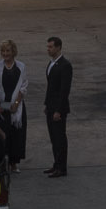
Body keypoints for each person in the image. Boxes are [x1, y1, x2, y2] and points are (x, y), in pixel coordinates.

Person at [0, 39, 28, 167]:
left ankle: (14, 163)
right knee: (1, 135)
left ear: (13, 52)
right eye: (3, 51)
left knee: (16, 135)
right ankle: (1, 161)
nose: (5, 53)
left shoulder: (21, 66)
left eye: (8, 51)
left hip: (15, 107)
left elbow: (23, 87)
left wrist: (16, 104)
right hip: (1, 105)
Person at [42, 36, 72, 176]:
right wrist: (47, 105)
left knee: (59, 138)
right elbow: (51, 87)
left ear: (59, 47)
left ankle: (62, 167)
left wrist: (58, 110)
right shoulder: (52, 63)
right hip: (51, 106)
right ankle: (56, 164)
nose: (48, 49)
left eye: (51, 47)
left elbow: (64, 91)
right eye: (48, 47)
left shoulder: (65, 65)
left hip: (58, 109)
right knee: (54, 138)